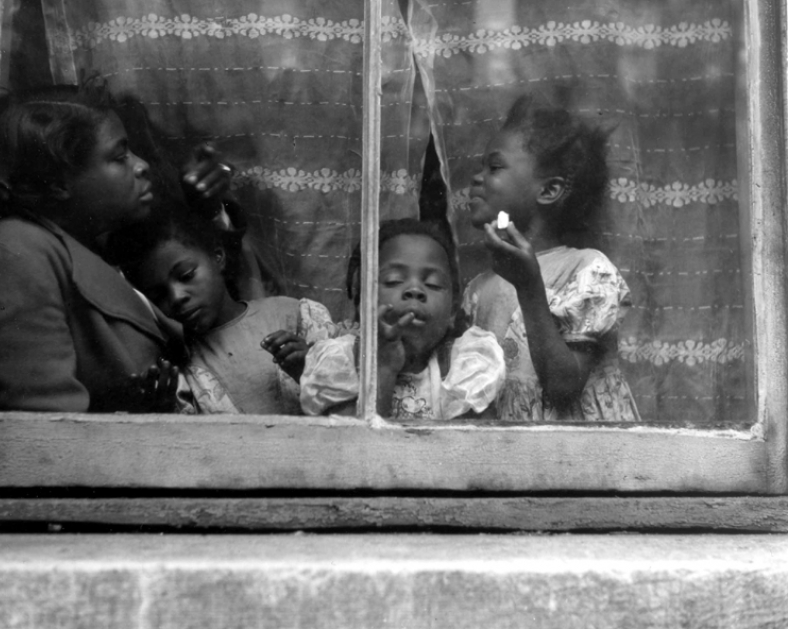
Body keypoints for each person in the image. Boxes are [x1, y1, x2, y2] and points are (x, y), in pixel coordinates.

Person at [0, 78, 231, 412]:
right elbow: (39, 423)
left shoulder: (101, 251)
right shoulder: (19, 248)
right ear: (57, 184)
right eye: (120, 155)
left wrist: (205, 212)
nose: (141, 166)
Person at [463, 94, 639, 422]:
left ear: (548, 190)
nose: (477, 177)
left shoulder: (587, 271)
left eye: (494, 166)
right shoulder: (479, 289)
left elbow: (563, 388)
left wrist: (530, 286)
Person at [120, 206, 346, 415]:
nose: (176, 297)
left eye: (186, 276)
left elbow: (350, 396)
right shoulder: (178, 365)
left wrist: (311, 366)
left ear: (218, 257)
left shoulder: (293, 315)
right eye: (159, 295)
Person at [299, 219, 505, 420]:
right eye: (394, 280)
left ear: (452, 309)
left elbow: (473, 449)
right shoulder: (341, 363)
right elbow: (353, 448)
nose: (414, 290)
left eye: (432, 284)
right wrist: (384, 370)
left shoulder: (466, 366)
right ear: (363, 299)